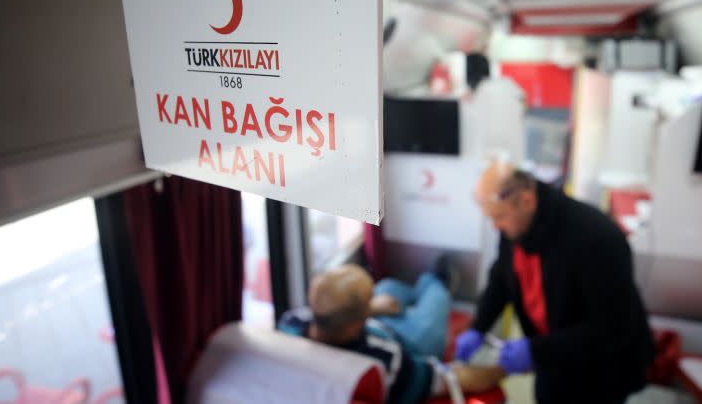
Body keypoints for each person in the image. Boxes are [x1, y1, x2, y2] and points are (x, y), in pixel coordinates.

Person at [455, 160, 654, 404]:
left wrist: (535, 351)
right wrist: (478, 327)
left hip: (602, 370)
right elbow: (501, 280)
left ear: (527, 201)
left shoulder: (596, 237)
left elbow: (611, 329)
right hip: (554, 357)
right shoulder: (514, 228)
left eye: (499, 217)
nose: (495, 226)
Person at [278, 263, 505, 404]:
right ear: (356, 322)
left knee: (387, 289)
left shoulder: (290, 323)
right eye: (369, 302)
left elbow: (337, 318)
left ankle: (411, 294)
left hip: (372, 324)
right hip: (412, 341)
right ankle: (436, 280)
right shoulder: (385, 362)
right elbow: (450, 379)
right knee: (436, 296)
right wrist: (504, 369)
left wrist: (372, 308)